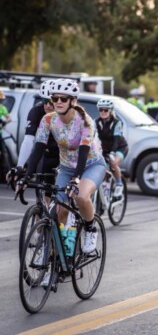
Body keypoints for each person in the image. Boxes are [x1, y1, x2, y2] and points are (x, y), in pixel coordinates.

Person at [18, 79, 106, 256]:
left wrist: (76, 179)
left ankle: (90, 228)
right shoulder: (48, 119)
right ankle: (54, 256)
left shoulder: (84, 121)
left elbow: (83, 152)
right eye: (54, 98)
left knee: (81, 196)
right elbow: (38, 148)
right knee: (57, 210)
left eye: (63, 99)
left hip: (91, 165)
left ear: (73, 101)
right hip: (66, 167)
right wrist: (26, 175)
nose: (58, 102)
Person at [7, 80, 59, 193]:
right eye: (45, 101)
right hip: (46, 150)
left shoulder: (64, 113)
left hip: (65, 153)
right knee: (41, 189)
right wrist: (20, 166)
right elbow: (28, 140)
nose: (48, 106)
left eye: (51, 102)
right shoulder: (36, 111)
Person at [94, 98, 128, 199]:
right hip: (105, 149)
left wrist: (112, 153)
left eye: (106, 110)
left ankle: (119, 184)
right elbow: (93, 138)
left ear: (110, 111)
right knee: (100, 166)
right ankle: (104, 186)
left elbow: (116, 140)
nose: (103, 112)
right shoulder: (96, 122)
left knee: (113, 163)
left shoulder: (117, 122)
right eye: (101, 110)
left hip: (120, 147)